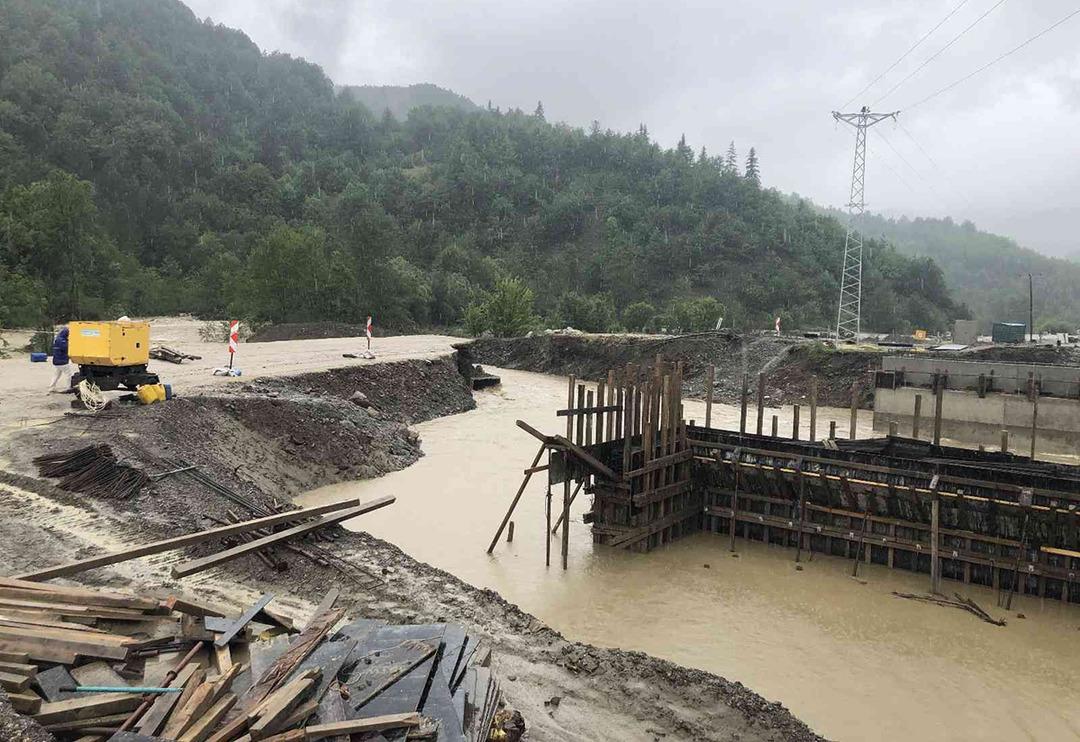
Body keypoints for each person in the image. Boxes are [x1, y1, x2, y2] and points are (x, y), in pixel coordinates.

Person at [48, 326, 71, 393]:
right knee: (68, 374)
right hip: (62, 361)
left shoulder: (57, 339)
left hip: (56, 361)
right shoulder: (62, 341)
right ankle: (68, 387)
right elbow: (66, 348)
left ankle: (51, 387)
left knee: (56, 375)